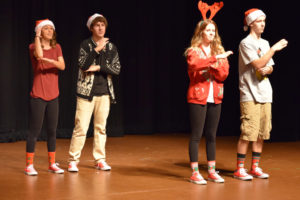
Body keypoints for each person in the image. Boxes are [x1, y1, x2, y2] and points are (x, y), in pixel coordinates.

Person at [234, 8, 288, 180]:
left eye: (264, 21)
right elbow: (258, 63)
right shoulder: (245, 43)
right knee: (248, 132)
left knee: (261, 133)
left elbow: (268, 66)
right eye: (259, 21)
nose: (263, 24)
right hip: (249, 92)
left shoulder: (264, 43)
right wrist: (274, 49)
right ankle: (239, 169)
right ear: (250, 23)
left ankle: (255, 167)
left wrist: (269, 69)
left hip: (265, 92)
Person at [185, 1, 233, 185]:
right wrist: (214, 60)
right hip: (198, 96)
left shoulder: (220, 51)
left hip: (216, 95)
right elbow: (194, 65)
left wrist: (214, 64)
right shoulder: (193, 51)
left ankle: (212, 171)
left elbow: (224, 74)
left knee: (212, 135)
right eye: (208, 30)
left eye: (213, 31)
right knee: (197, 134)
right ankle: (195, 172)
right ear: (201, 32)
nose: (211, 33)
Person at [68, 13, 121, 172]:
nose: (100, 28)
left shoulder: (111, 47)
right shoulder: (86, 45)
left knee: (100, 128)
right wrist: (97, 49)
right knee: (81, 128)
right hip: (86, 93)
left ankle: (99, 159)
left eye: (102, 25)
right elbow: (83, 64)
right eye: (97, 25)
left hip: (104, 92)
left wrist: (99, 67)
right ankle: (73, 160)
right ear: (91, 28)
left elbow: (116, 68)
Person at [25, 19, 65, 175]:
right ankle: (29, 165)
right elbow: (39, 55)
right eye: (46, 28)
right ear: (39, 31)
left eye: (51, 29)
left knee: (52, 131)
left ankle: (52, 164)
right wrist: (36, 37)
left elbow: (62, 66)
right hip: (39, 94)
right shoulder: (33, 46)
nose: (49, 31)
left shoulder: (57, 47)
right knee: (34, 131)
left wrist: (50, 60)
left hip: (53, 94)